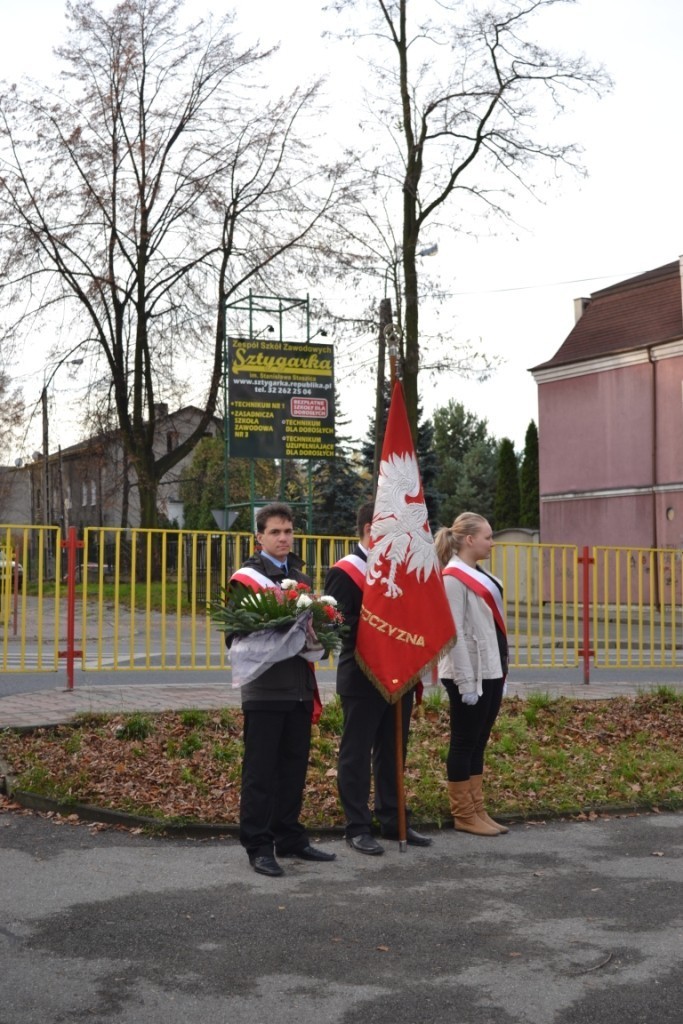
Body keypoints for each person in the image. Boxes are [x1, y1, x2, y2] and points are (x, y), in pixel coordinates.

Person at [228, 502, 336, 877]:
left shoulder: (301, 578)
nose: (283, 538)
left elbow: (315, 631)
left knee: (293, 768)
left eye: (288, 531)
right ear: (259, 537)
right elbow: (236, 636)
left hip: (300, 688)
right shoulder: (246, 579)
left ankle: (288, 835)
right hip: (264, 690)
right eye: (275, 532)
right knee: (261, 771)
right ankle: (258, 844)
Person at [324, 501, 433, 854]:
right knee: (356, 755)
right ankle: (357, 826)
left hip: (397, 674)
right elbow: (339, 624)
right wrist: (381, 636)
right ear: (371, 529)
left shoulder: (395, 570)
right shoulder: (345, 572)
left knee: (392, 752)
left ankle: (393, 820)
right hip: (362, 676)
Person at [434, 512, 509, 837]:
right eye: (488, 537)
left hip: (489, 670)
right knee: (464, 741)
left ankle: (477, 809)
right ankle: (464, 814)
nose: (491, 542)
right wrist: (465, 682)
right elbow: (455, 635)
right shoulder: (453, 578)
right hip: (469, 675)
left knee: (479, 742)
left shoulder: (479, 574)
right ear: (469, 539)